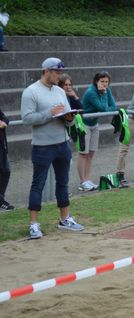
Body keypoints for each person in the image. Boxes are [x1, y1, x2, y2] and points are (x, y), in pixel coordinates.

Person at [20, 57, 85, 239]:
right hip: (42, 146)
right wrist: (49, 113)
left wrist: (69, 119)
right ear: (46, 71)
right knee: (37, 184)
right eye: (56, 72)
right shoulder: (31, 92)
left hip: (62, 143)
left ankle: (65, 219)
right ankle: (33, 224)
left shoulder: (59, 91)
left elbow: (66, 118)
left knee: (63, 182)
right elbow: (26, 119)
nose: (59, 76)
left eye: (59, 72)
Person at [79, 71, 116, 191]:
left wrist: (105, 93)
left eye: (106, 82)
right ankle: (83, 181)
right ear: (96, 81)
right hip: (84, 125)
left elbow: (113, 107)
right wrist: (104, 93)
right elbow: (103, 109)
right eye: (102, 81)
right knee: (83, 154)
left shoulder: (106, 90)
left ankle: (87, 180)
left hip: (94, 124)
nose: (105, 84)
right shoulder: (91, 92)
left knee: (91, 154)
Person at [0, 107, 13, 210]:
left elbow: (5, 118)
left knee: (5, 171)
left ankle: (0, 200)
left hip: (1, 146)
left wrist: (4, 122)